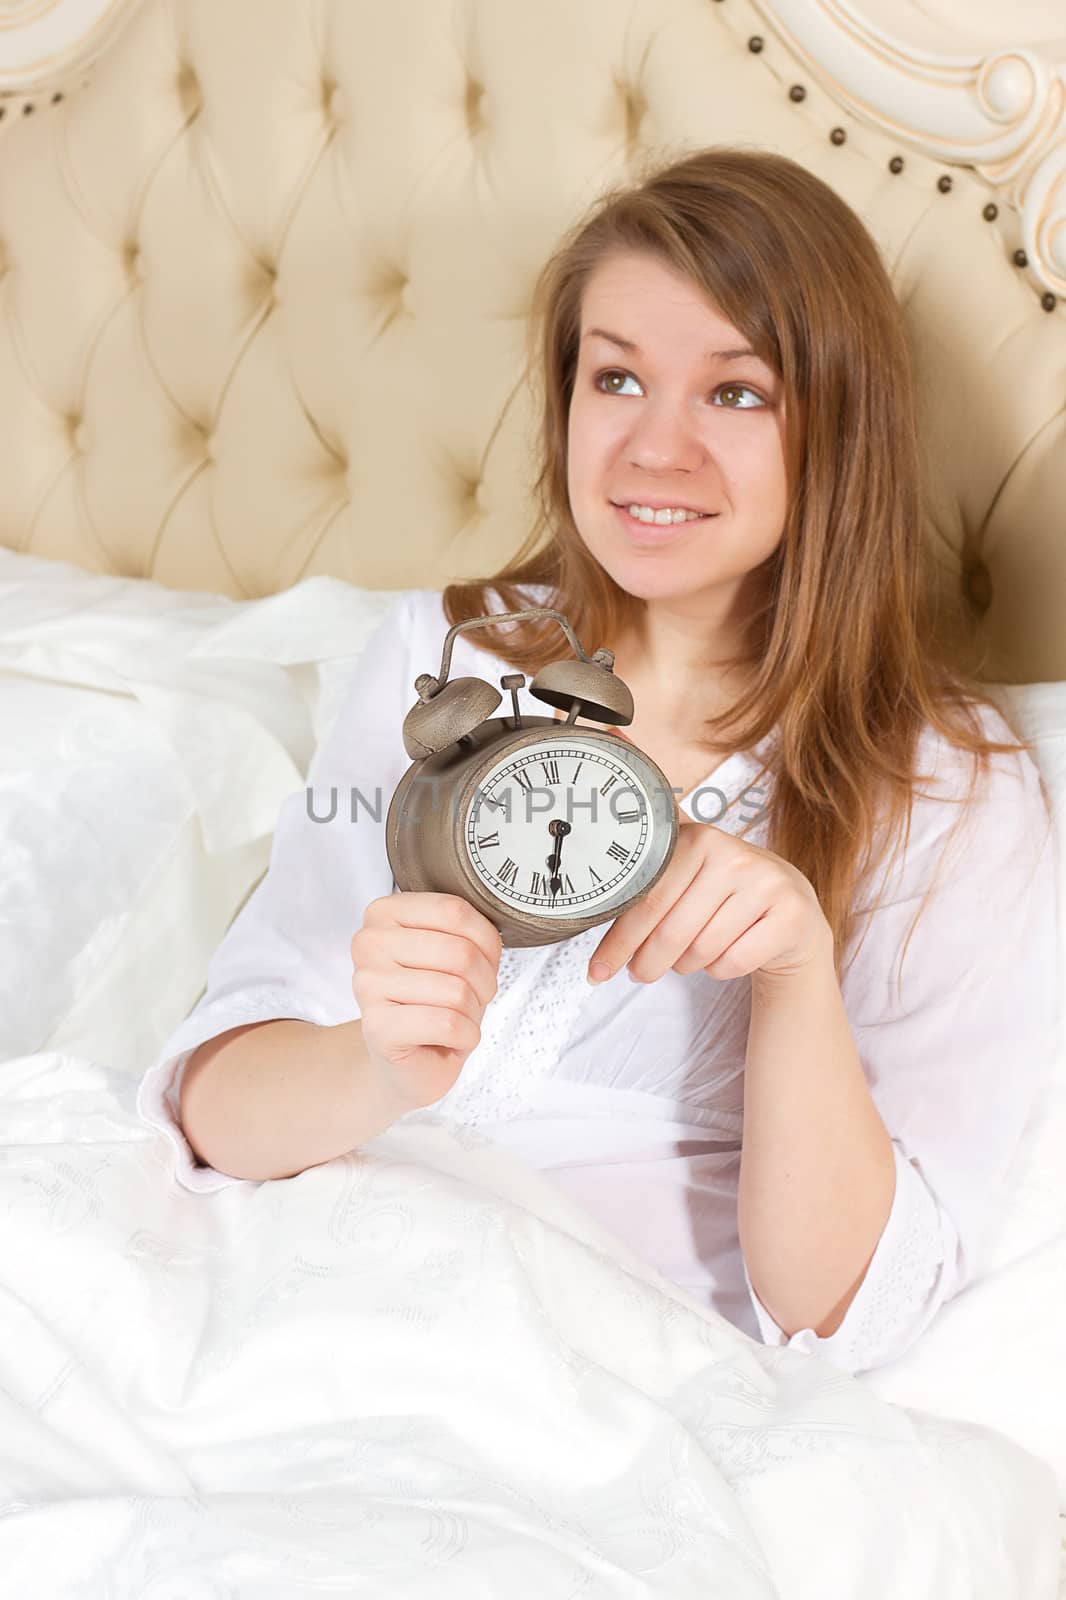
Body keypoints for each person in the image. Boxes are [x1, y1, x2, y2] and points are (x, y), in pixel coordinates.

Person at [136, 147, 1057, 1376]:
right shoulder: (443, 655)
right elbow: (213, 1106)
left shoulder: (947, 790)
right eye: (616, 376)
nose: (652, 450)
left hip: (596, 1375)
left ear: (837, 425)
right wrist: (373, 1062)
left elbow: (844, 1312)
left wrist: (792, 974)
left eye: (735, 393)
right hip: (286, 1287)